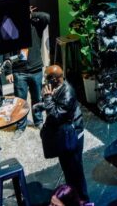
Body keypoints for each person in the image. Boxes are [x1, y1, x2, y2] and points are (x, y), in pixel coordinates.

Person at [36, 65, 87, 200]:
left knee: (76, 172)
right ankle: (72, 198)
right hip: (63, 136)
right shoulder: (55, 88)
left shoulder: (68, 92)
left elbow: (56, 115)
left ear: (55, 79)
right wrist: (43, 103)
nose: (44, 81)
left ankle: (83, 199)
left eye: (47, 78)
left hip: (72, 136)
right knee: (68, 170)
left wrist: (47, 98)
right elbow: (54, 106)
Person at [10, 6, 51, 133]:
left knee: (37, 99)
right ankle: (20, 126)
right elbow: (6, 49)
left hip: (36, 70)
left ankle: (38, 121)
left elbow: (47, 17)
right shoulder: (12, 27)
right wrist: (8, 72)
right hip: (19, 71)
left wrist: (31, 14)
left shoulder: (36, 25)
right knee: (20, 101)